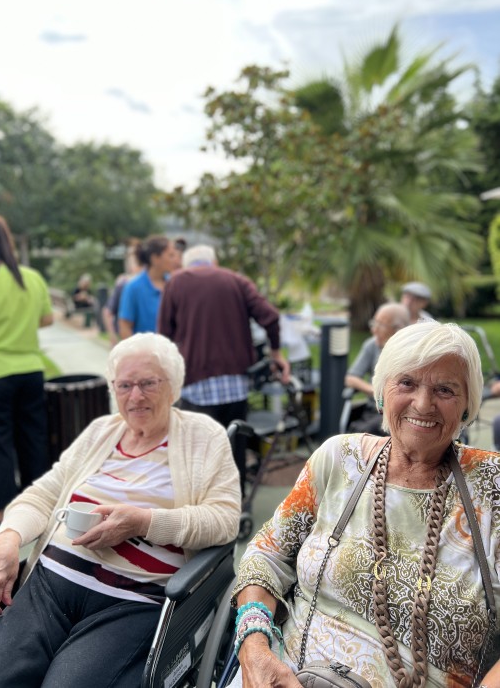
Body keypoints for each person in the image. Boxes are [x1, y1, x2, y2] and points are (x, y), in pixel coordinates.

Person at [229, 321, 500, 687]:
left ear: (468, 405)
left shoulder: (492, 485)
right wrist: (254, 645)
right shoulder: (340, 459)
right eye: (407, 383)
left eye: (445, 389)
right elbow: (267, 554)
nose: (423, 404)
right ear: (381, 392)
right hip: (286, 672)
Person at [0, 332, 241, 687]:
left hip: (132, 598)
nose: (135, 396)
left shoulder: (204, 436)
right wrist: (6, 540)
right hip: (50, 586)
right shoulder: (101, 431)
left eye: (148, 383)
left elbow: (224, 520)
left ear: (173, 386)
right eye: (124, 385)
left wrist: (143, 522)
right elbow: (43, 495)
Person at [158, 244, 290, 493]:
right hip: (236, 385)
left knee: (198, 453)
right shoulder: (236, 281)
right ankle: (236, 503)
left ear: (187, 265)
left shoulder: (176, 282)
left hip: (196, 383)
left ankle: (202, 505)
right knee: (234, 447)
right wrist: (276, 353)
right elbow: (271, 316)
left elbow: (164, 335)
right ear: (214, 262)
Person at [0, 214, 53, 538]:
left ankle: (1, 513)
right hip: (31, 371)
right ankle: (38, 509)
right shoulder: (31, 277)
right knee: (32, 441)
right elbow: (47, 319)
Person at [345, 302, 410, 435]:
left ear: (398, 329)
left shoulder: (413, 352)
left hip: (403, 413)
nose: (374, 330)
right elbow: (350, 378)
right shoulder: (372, 345)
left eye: (380, 325)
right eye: (374, 323)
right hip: (376, 410)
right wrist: (375, 391)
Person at [118, 235, 177, 338]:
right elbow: (125, 327)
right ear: (155, 258)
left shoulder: (174, 285)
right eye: (170, 255)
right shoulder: (133, 287)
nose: (175, 260)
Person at [102, 240, 144, 346]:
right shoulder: (124, 283)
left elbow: (107, 312)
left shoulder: (123, 282)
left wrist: (112, 337)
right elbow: (107, 312)